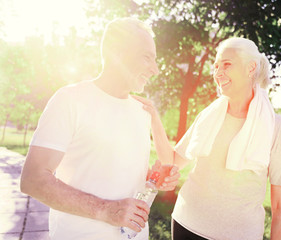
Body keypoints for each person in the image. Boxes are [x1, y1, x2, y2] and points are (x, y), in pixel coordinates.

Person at [20, 17, 180, 240]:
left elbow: (114, 171)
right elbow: (33, 179)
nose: (155, 70)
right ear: (117, 53)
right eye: (147, 58)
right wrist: (106, 210)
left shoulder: (141, 112)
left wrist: (153, 180)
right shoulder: (69, 100)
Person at [136, 37, 281, 240]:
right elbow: (172, 160)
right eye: (216, 66)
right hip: (186, 223)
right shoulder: (209, 115)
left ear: (250, 68)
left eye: (227, 64)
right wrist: (153, 116)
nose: (218, 72)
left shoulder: (278, 128)